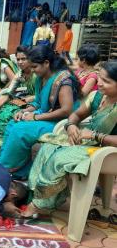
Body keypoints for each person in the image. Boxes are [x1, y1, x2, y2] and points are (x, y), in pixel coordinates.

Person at [23, 60, 117, 217]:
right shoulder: (97, 96)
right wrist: (71, 126)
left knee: (59, 159)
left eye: (106, 81)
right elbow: (77, 114)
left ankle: (40, 204)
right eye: (100, 77)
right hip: (88, 143)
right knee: (47, 148)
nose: (99, 83)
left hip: (108, 152)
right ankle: (37, 194)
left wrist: (95, 135)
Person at [0, 45, 80, 180]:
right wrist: (24, 111)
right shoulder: (41, 78)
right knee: (12, 122)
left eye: (34, 67)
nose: (33, 71)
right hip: (46, 116)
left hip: (62, 123)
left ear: (47, 63)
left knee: (20, 130)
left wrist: (35, 117)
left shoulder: (63, 80)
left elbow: (66, 110)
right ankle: (18, 169)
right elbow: (38, 103)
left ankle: (6, 167)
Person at [0, 46, 37, 149]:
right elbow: (9, 93)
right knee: (3, 110)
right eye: (18, 59)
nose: (20, 62)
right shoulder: (20, 74)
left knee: (7, 115)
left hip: (36, 104)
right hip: (23, 100)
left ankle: (5, 148)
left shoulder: (37, 74)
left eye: (23, 59)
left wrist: (31, 98)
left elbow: (42, 95)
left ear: (31, 59)